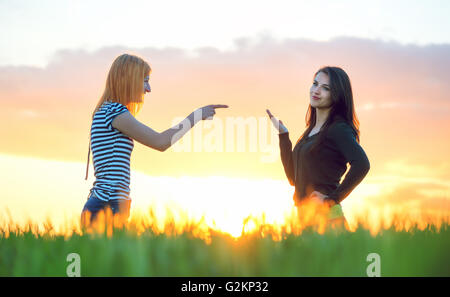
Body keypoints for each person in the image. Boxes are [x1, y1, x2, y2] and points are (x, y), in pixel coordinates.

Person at [81, 53, 228, 229]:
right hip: (108, 205)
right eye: (145, 81)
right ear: (129, 79)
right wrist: (196, 116)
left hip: (108, 203)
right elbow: (160, 142)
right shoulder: (114, 111)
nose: (148, 88)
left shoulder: (107, 111)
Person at [267, 66, 370, 228]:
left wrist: (331, 199)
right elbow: (293, 178)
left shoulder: (338, 129)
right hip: (304, 219)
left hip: (327, 218)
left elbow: (362, 164)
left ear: (337, 95)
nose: (316, 90)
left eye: (325, 88)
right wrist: (283, 136)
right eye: (315, 84)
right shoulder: (310, 132)